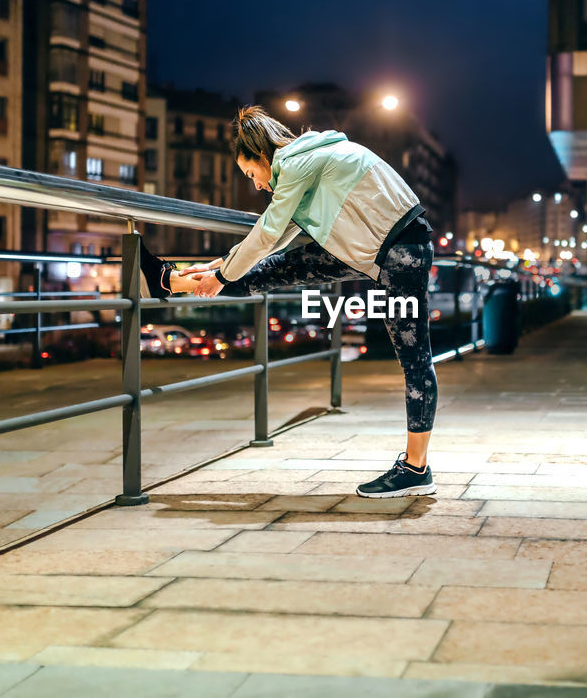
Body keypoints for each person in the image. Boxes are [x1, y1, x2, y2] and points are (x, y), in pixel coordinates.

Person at [139, 105, 438, 498]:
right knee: (280, 268)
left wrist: (223, 274)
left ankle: (416, 468)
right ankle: (170, 280)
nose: (257, 186)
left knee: (415, 359)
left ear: (263, 157)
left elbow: (267, 233)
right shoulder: (308, 161)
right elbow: (274, 239)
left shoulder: (299, 165)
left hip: (401, 253)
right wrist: (221, 266)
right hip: (380, 250)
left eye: (251, 175)